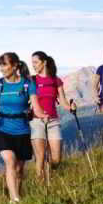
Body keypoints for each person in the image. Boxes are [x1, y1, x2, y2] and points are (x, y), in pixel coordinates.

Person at [0, 52, 46, 203]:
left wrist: (44, 116)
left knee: (19, 170)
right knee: (10, 161)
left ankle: (17, 193)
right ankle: (14, 199)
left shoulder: (27, 84)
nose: (2, 69)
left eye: (5, 65)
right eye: (0, 65)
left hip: (23, 130)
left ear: (15, 65)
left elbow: (36, 107)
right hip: (3, 129)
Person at [30, 51, 75, 180]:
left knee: (56, 158)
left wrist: (71, 107)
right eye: (32, 62)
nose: (33, 65)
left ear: (44, 62)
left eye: (35, 62)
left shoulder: (56, 80)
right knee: (40, 157)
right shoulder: (32, 80)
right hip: (36, 121)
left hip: (53, 121)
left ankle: (51, 175)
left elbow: (63, 102)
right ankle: (41, 185)